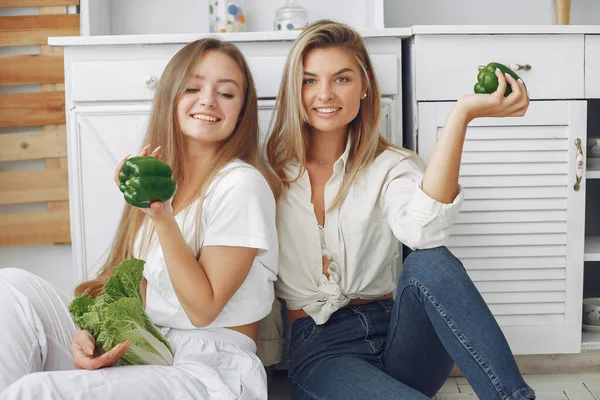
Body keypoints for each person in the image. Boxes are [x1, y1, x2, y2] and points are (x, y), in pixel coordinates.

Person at [266, 20, 535, 400]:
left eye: (341, 79)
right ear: (295, 89)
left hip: (399, 336)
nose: (324, 94)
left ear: (364, 88)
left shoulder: (392, 165)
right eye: (310, 80)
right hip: (323, 349)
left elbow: (424, 234)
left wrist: (461, 115)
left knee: (429, 262)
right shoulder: (269, 173)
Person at [0, 37, 281, 400]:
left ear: (242, 110)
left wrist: (161, 218)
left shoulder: (242, 184)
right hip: (142, 346)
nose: (208, 100)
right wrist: (86, 336)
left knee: (35, 390)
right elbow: (128, 288)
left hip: (209, 366)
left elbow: (203, 308)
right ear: (170, 98)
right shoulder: (158, 177)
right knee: (11, 287)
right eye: (193, 87)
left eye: (226, 94)